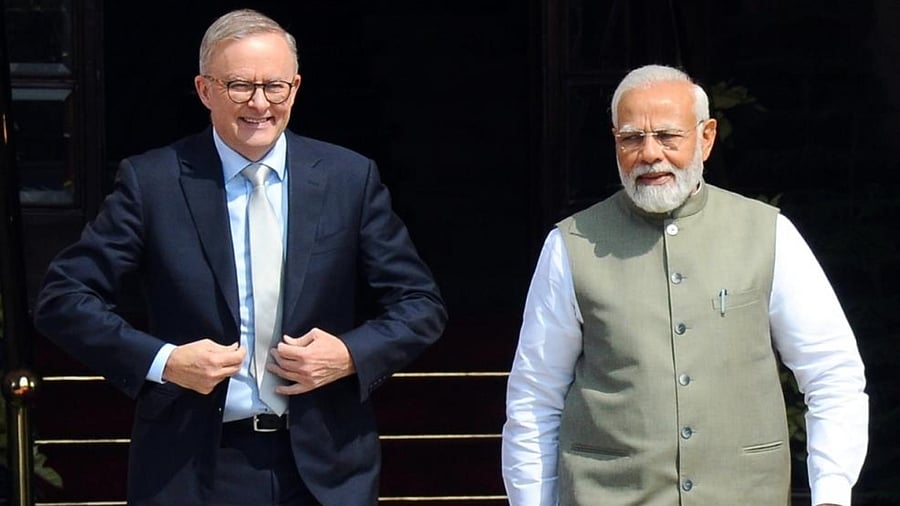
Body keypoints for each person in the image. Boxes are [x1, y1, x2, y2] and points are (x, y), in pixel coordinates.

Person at [33, 8, 446, 506]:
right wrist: (165, 361)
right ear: (205, 90)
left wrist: (349, 354)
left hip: (324, 467)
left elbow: (420, 303)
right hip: (195, 466)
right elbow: (63, 298)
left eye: (275, 86)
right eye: (239, 86)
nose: (260, 103)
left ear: (295, 87)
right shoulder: (154, 182)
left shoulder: (347, 178)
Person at [501, 64, 867, 506]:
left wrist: (831, 492)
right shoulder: (570, 245)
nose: (650, 154)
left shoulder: (768, 233)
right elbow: (535, 399)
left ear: (706, 138)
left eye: (668, 136)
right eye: (632, 138)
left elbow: (832, 372)